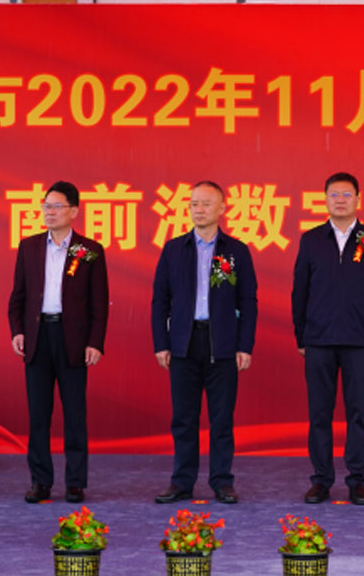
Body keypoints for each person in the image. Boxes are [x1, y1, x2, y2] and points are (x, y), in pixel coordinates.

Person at [151, 180, 258, 505]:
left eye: (206, 203)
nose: (199, 209)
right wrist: (161, 343)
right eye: (194, 203)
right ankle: (182, 481)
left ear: (222, 208)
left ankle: (222, 481)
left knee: (221, 419)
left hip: (222, 343)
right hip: (183, 343)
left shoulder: (236, 251)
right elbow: (160, 300)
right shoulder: (174, 249)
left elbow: (248, 301)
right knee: (183, 418)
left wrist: (244, 346)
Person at [291, 172, 364, 505]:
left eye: (347, 194)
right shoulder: (311, 240)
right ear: (325, 200)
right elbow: (300, 291)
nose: (340, 200)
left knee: (358, 412)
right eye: (334, 194)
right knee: (319, 413)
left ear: (358, 200)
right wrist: (301, 334)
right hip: (318, 339)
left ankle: (356, 480)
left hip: (359, 340)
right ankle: (321, 480)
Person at [7, 181, 110, 504]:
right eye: (46, 206)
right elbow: (18, 297)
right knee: (38, 415)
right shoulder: (29, 247)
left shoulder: (90, 250)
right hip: (38, 337)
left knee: (75, 414)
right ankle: (40, 481)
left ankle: (75, 482)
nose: (49, 212)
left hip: (73, 340)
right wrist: (17, 331)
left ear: (73, 211)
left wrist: (95, 342)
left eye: (56, 206)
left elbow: (99, 303)